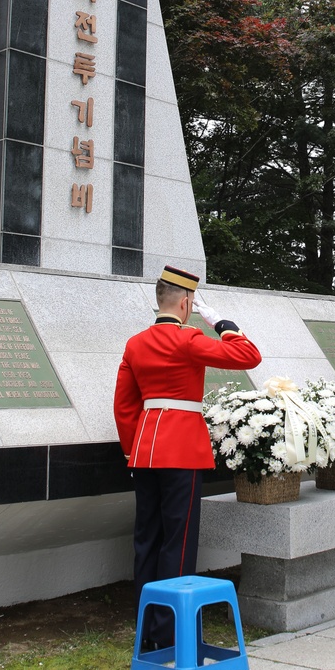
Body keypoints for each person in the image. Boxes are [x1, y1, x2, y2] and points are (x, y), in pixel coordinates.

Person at [114, 264, 261, 648]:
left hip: (145, 453)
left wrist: (134, 451)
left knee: (146, 539)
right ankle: (172, 633)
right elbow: (248, 355)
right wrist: (222, 322)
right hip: (182, 452)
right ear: (185, 303)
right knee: (177, 544)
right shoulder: (188, 338)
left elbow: (124, 407)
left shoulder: (135, 343)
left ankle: (146, 629)